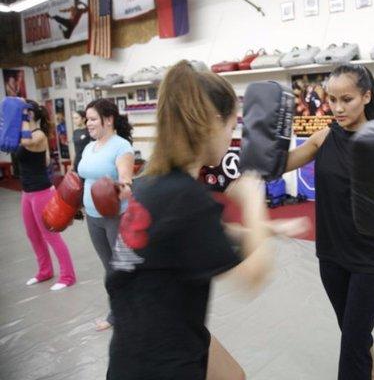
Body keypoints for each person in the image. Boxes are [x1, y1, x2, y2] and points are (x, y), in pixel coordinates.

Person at [106, 61, 308, 379]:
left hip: (140, 338)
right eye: (232, 126)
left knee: (233, 376)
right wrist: (254, 200)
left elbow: (202, 233)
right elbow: (253, 278)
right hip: (162, 362)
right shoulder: (187, 196)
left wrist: (265, 230)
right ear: (215, 122)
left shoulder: (149, 185)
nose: (232, 135)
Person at [285, 64, 374, 380]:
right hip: (330, 256)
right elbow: (280, 165)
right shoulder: (324, 137)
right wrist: (265, 141)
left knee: (352, 342)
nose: (338, 108)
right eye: (332, 100)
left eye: (347, 99)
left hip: (367, 260)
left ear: (366, 96)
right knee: (354, 332)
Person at [77, 98, 134, 331]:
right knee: (109, 267)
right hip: (93, 217)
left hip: (115, 217)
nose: (87, 124)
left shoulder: (121, 147)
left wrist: (124, 187)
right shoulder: (90, 147)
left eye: (92, 119)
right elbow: (82, 175)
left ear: (108, 120)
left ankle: (122, 315)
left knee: (122, 267)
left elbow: (125, 178)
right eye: (87, 119)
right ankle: (120, 312)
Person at [16, 99, 76, 290]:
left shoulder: (39, 134)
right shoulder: (22, 133)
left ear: (30, 114)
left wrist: (23, 116)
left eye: (23, 113)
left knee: (51, 236)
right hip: (27, 192)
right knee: (32, 234)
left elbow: (26, 142)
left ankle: (67, 276)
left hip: (41, 191)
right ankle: (45, 271)